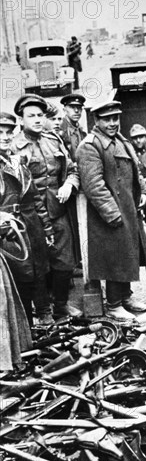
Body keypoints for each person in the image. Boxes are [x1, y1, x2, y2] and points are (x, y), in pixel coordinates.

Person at [76, 101, 146, 323]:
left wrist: (143, 190)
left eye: (115, 118)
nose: (112, 123)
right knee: (114, 258)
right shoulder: (90, 146)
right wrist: (111, 213)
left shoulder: (120, 140)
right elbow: (93, 184)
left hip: (127, 207)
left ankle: (125, 297)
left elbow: (135, 169)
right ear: (96, 121)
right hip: (108, 212)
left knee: (127, 254)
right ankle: (113, 305)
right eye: (107, 119)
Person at [12, 95, 82, 323]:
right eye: (31, 116)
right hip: (29, 215)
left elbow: (72, 168)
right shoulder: (13, 146)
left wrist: (69, 183)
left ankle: (61, 305)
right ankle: (43, 312)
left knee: (65, 263)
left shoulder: (54, 140)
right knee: (38, 265)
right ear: (21, 120)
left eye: (41, 115)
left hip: (58, 210)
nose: (38, 120)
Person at [0, 112, 53, 326]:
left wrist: (46, 229)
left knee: (35, 275)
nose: (4, 137)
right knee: (13, 283)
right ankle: (20, 337)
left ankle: (34, 325)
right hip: (7, 232)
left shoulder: (16, 162)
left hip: (29, 225)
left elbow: (35, 197)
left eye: (8, 132)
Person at [60, 94, 87, 161]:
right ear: (64, 110)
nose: (76, 111)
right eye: (72, 107)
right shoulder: (60, 130)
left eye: (79, 107)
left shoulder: (81, 131)